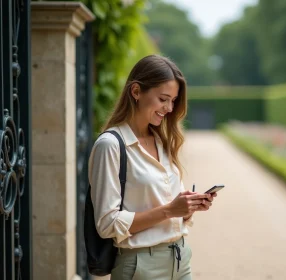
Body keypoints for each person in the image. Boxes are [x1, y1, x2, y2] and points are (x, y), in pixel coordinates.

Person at [88, 54, 216, 280]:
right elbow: (107, 224)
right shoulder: (110, 145)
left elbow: (168, 205)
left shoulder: (162, 140)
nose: (169, 108)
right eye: (163, 99)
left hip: (180, 258)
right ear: (136, 92)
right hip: (140, 266)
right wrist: (169, 210)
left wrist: (187, 207)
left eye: (173, 100)